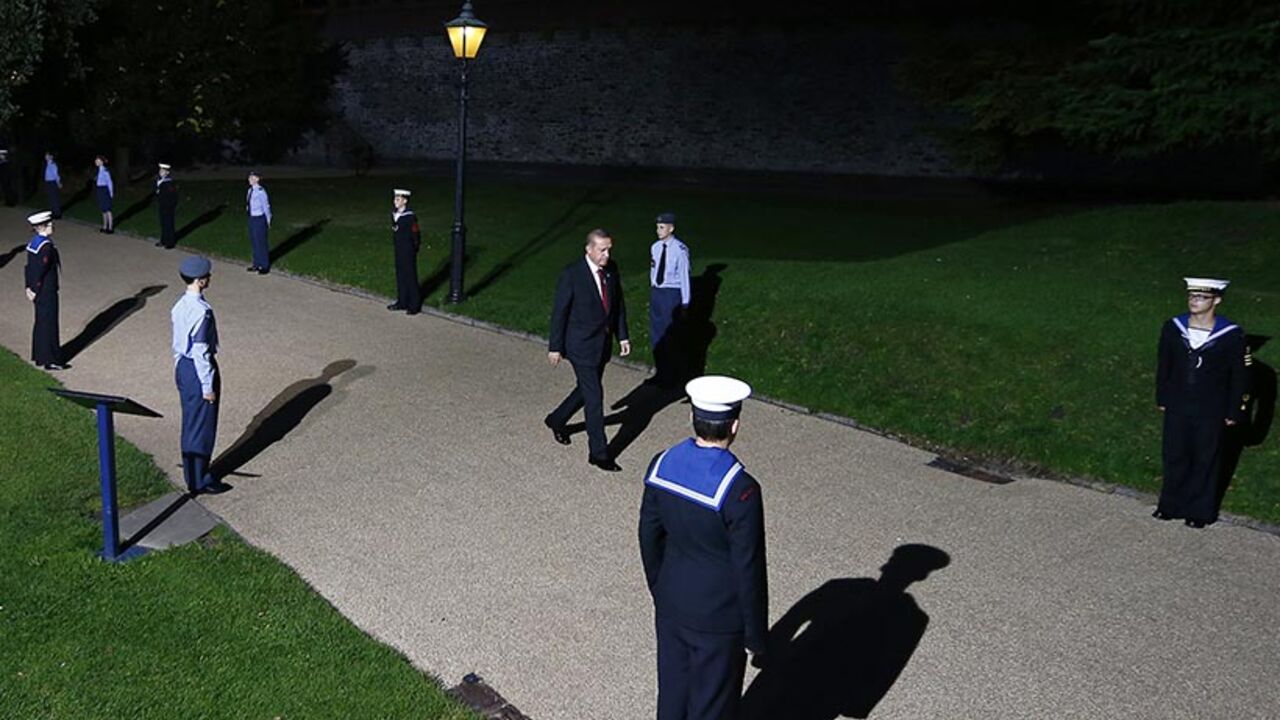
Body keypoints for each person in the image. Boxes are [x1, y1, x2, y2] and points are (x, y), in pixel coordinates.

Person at [639, 375, 768, 720]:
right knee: (711, 706)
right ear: (734, 425)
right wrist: (756, 636)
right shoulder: (741, 489)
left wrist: (660, 586)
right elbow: (749, 566)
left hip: (672, 600)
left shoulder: (661, 464)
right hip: (719, 615)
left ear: (691, 417)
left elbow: (649, 535)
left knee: (672, 696)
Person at [1155, 277, 1249, 528]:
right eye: (1192, 296)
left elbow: (1239, 376)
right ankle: (1170, 505)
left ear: (1216, 300)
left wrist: (1234, 410)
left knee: (1205, 458)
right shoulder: (1173, 327)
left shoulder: (1231, 334)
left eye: (1201, 297)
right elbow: (1164, 365)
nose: (1194, 301)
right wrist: (1162, 396)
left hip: (1211, 407)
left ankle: (1199, 511)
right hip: (1178, 404)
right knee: (1174, 454)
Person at [545, 228, 631, 471]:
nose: (607, 255)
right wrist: (555, 347)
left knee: (586, 389)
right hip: (579, 345)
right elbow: (560, 312)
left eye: (609, 250)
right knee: (594, 397)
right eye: (602, 250)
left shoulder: (611, 270)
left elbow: (618, 305)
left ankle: (557, 419)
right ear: (589, 249)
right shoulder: (572, 274)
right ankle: (599, 453)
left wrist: (622, 336)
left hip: (602, 344)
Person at [172, 255, 231, 495]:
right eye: (206, 276)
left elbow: (178, 342)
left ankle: (192, 475)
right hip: (198, 371)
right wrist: (208, 386)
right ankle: (200, 480)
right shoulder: (202, 311)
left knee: (190, 423)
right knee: (202, 427)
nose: (209, 278)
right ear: (200, 280)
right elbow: (201, 351)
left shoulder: (179, 305)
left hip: (183, 367)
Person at [649, 212, 690, 387]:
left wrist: (685, 302)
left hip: (671, 293)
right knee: (656, 334)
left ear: (671, 228)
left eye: (662, 227)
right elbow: (654, 270)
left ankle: (673, 374)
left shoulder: (680, 250)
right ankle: (660, 371)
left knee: (670, 335)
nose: (658, 231)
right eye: (657, 227)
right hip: (657, 292)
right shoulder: (655, 247)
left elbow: (684, 277)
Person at [23, 211, 66, 370]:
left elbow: (29, 268)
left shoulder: (34, 243)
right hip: (46, 290)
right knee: (49, 323)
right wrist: (35, 288)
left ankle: (40, 356)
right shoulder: (46, 246)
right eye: (49, 224)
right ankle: (51, 360)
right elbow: (41, 269)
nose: (52, 226)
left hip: (37, 289)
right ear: (43, 226)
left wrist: (29, 287)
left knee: (41, 322)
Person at [387, 188, 422, 314]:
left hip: (408, 249)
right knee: (400, 275)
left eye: (398, 199)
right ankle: (402, 301)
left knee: (410, 276)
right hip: (399, 248)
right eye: (395, 199)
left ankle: (414, 304)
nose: (395, 202)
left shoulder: (410, 216)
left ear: (405, 201)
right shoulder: (394, 214)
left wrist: (415, 247)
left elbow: (415, 233)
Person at [245, 170, 272, 274]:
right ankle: (256, 264)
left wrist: (268, 221)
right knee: (254, 241)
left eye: (252, 178)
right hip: (252, 218)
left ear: (257, 179)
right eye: (249, 177)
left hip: (259, 218)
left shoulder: (261, 191)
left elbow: (266, 207)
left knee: (261, 242)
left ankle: (264, 265)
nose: (250, 179)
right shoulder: (250, 190)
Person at [155, 163, 179, 249]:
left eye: (163, 171)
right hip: (162, 205)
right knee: (163, 224)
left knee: (169, 224)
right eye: (160, 170)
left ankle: (170, 242)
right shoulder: (160, 180)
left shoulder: (169, 183)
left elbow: (173, 196)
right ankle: (163, 240)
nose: (161, 172)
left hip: (168, 207)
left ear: (167, 172)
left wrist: (171, 206)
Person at [93, 155, 114, 233]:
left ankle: (110, 227)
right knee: (103, 209)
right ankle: (105, 226)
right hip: (99, 190)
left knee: (108, 210)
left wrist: (111, 193)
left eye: (98, 161)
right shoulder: (98, 171)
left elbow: (109, 182)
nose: (96, 162)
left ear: (101, 162)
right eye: (96, 160)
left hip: (104, 190)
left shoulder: (105, 171)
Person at [43, 152, 62, 218]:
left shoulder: (52, 164)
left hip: (52, 182)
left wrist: (58, 183)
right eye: (45, 155)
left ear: (51, 157)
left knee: (54, 198)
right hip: (48, 182)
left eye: (47, 155)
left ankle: (57, 214)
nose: (46, 157)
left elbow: (56, 175)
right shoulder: (48, 164)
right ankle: (53, 212)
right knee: (51, 198)